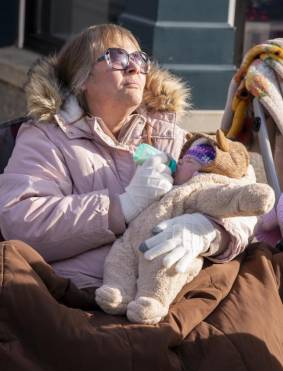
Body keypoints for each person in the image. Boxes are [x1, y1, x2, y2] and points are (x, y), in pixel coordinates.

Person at [0, 23, 257, 295]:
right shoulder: (46, 137)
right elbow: (20, 221)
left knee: (258, 279)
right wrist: (121, 207)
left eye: (139, 58)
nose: (134, 67)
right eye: (116, 57)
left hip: (173, 288)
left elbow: (245, 193)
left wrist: (206, 232)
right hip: (86, 292)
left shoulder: (167, 133)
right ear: (82, 78)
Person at [96, 130, 274, 324]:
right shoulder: (58, 139)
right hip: (127, 242)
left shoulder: (197, 186)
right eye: (182, 159)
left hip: (171, 246)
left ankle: (152, 300)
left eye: (188, 160)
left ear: (209, 170)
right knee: (120, 256)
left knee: (168, 261)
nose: (179, 161)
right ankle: (118, 290)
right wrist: (128, 202)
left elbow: (231, 197)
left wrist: (210, 230)